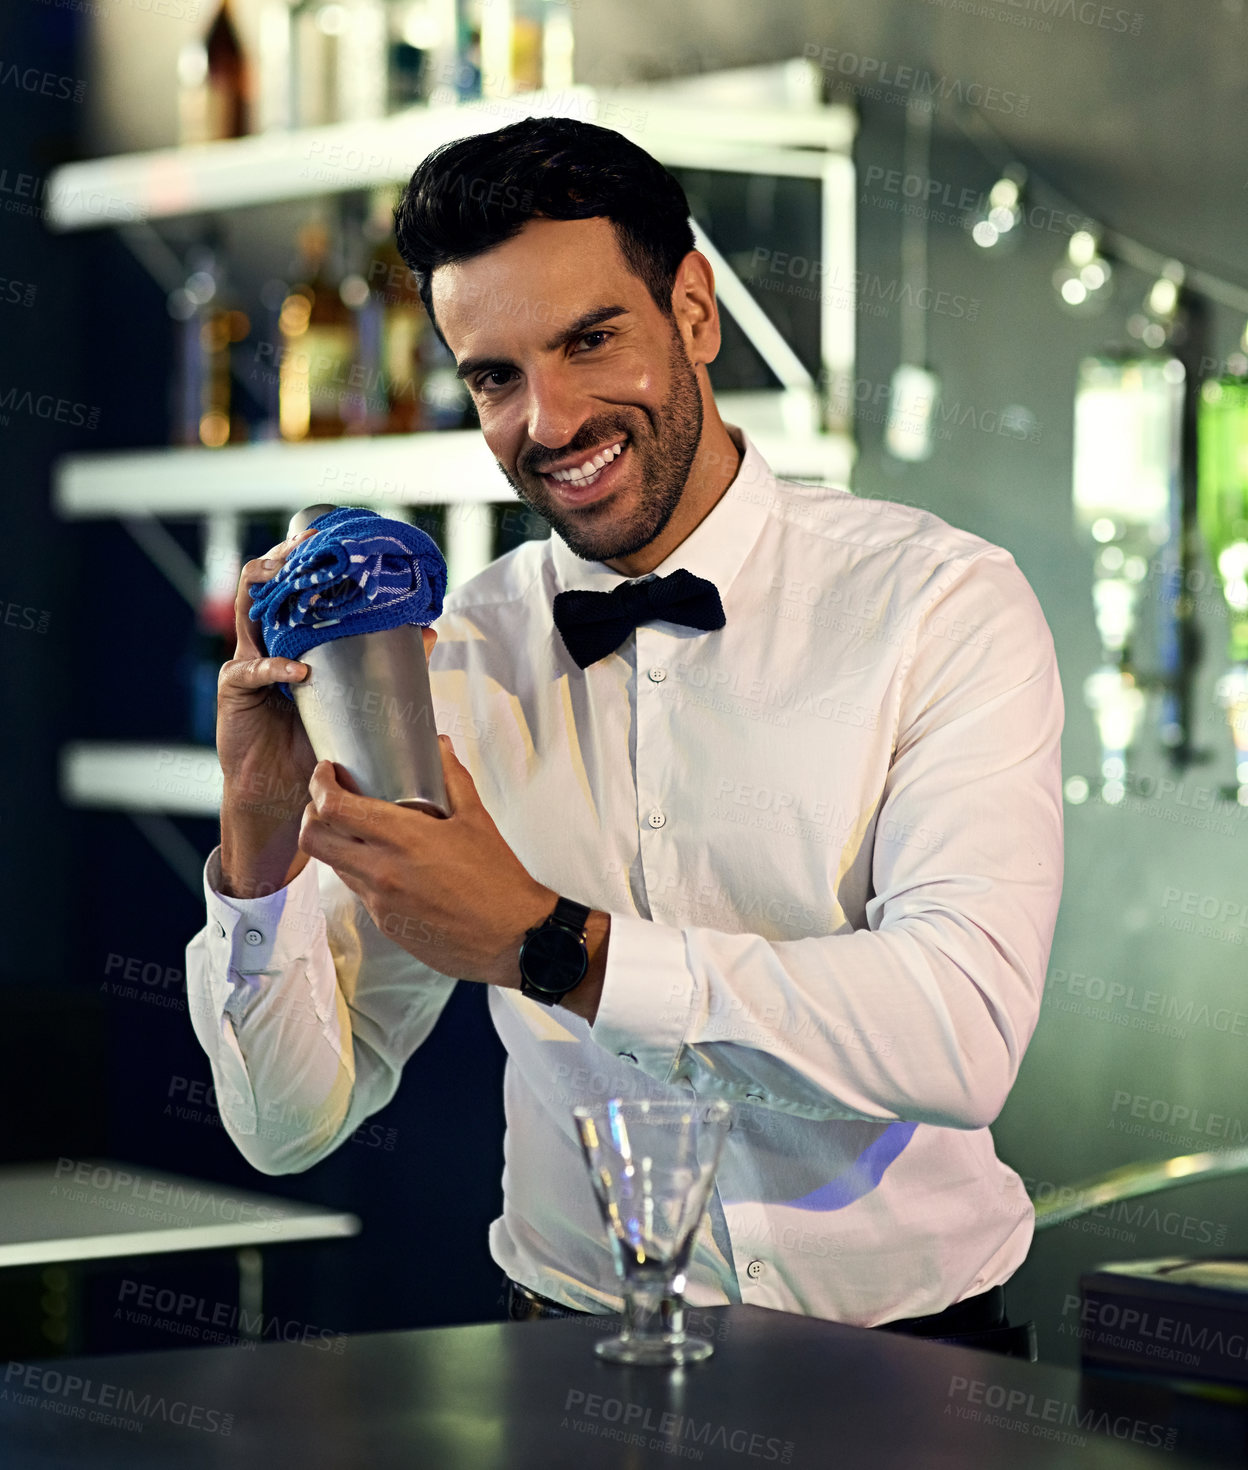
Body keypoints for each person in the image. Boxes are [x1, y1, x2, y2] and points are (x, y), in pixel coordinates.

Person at [185, 117, 1063, 1355]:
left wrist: (552, 947)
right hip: (567, 1356)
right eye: (495, 376)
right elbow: (289, 1125)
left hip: (912, 1370)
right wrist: (261, 842)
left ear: (694, 312)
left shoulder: (939, 603)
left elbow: (961, 1033)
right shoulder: (454, 658)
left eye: (591, 340)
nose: (548, 420)